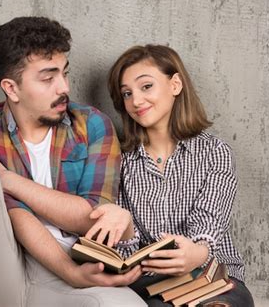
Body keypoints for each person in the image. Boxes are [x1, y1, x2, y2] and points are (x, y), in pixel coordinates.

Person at [0, 16, 146, 307]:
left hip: (71, 272)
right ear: (11, 88)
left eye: (64, 73)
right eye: (48, 78)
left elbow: (93, 216)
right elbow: (15, 214)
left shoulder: (92, 124)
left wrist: (8, 179)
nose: (64, 87)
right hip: (2, 268)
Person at [106, 44, 255, 306]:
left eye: (146, 86)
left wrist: (196, 252)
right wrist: (127, 231)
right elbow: (125, 252)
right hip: (152, 280)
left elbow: (211, 219)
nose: (136, 101)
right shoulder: (119, 160)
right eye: (127, 93)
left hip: (213, 275)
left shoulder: (215, 152)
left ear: (175, 84)